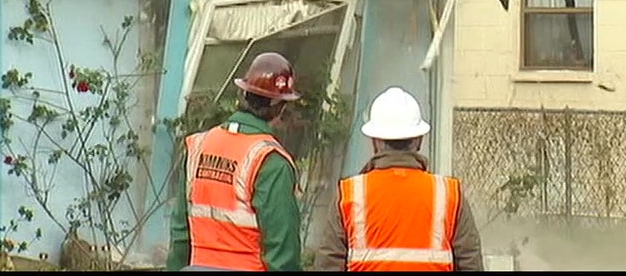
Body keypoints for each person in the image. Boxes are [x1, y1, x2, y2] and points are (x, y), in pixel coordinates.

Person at [313, 87, 484, 272]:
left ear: (374, 141)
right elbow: (470, 263)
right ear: (419, 140)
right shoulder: (449, 195)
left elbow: (328, 265)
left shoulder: (349, 194)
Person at [166, 52, 303, 272]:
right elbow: (282, 252)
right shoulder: (270, 161)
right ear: (280, 107)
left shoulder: (198, 147)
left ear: (243, 94)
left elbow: (180, 235)